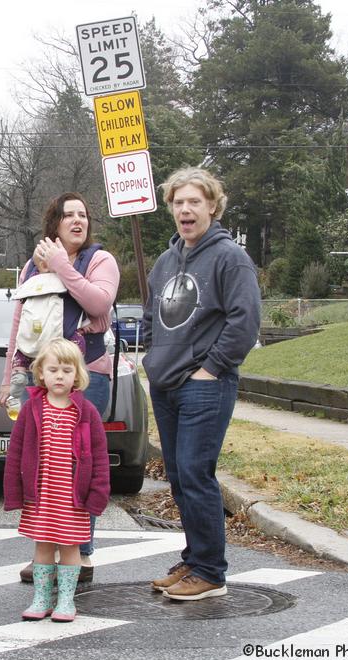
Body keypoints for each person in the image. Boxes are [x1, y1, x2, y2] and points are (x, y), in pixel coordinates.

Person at [141, 166, 260, 601]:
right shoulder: (166, 261)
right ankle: (194, 559)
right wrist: (152, 360)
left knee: (195, 472)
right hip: (166, 384)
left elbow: (244, 322)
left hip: (206, 385)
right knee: (177, 476)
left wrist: (211, 369)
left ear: (212, 206)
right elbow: (153, 318)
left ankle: (211, 571)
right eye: (178, 202)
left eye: (194, 201)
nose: (185, 209)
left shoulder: (230, 257)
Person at [0, 192, 119, 583]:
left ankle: (81, 552)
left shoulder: (100, 261)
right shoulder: (31, 270)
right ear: (55, 224)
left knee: (81, 463)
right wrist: (9, 382)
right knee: (45, 465)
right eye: (68, 215)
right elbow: (19, 325)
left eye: (82, 214)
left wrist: (63, 267)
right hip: (40, 379)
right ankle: (45, 552)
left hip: (89, 376)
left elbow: (98, 304)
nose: (77, 221)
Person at [3, 339, 109, 622]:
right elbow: (16, 452)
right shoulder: (32, 409)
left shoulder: (86, 412)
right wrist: (14, 491)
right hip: (42, 495)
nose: (59, 376)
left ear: (77, 375)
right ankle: (41, 598)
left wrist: (98, 495)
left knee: (71, 547)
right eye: (53, 370)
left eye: (66, 370)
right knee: (43, 546)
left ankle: (65, 600)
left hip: (72, 499)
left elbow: (99, 457)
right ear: (40, 373)